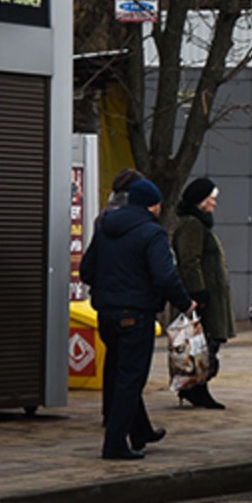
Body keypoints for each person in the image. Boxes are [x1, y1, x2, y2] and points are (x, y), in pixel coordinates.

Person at [81, 179, 196, 460]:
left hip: (106, 314)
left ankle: (141, 431)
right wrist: (185, 303)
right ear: (153, 205)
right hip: (136, 314)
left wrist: (107, 290)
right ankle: (115, 444)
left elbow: (86, 270)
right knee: (130, 379)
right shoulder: (151, 233)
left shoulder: (105, 227)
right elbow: (164, 275)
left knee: (124, 373)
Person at [171, 177, 234, 410]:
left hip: (208, 295)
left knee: (205, 342)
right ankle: (195, 388)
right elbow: (189, 261)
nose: (214, 204)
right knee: (201, 343)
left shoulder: (200, 224)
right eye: (211, 199)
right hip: (202, 297)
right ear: (200, 202)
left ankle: (196, 387)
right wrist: (198, 292)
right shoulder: (192, 225)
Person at [96, 166, 145, 425]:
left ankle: (124, 420)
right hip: (132, 303)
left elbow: (89, 267)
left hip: (106, 303)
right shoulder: (138, 222)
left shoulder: (103, 218)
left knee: (115, 362)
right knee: (130, 370)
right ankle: (120, 425)